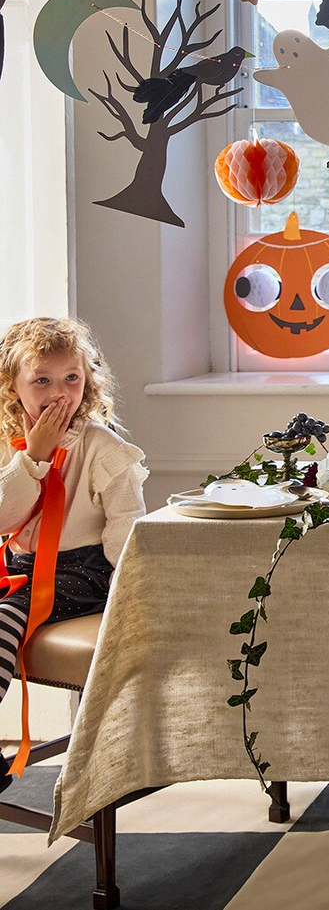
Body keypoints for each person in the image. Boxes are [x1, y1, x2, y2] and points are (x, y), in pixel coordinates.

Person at [0, 318, 148, 789]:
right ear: (13, 387)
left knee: (6, 615)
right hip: (17, 568)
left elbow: (127, 529)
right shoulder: (8, 445)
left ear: (88, 380)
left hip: (82, 571)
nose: (59, 391)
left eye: (71, 377)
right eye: (42, 380)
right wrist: (33, 458)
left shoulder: (103, 447)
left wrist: (129, 593)